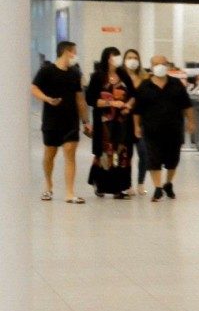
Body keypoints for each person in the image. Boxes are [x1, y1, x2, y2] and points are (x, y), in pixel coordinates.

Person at [30, 40, 90, 203]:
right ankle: (48, 185)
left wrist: (86, 121)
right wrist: (47, 99)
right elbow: (34, 88)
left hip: (70, 120)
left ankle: (70, 193)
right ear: (66, 52)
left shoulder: (75, 73)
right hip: (51, 120)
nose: (75, 55)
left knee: (70, 152)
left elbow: (80, 98)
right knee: (50, 154)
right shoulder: (46, 71)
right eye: (74, 52)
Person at [133, 55, 195, 202]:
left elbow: (187, 105)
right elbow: (138, 109)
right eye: (156, 64)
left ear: (167, 65)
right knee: (153, 159)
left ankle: (168, 183)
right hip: (151, 130)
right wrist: (136, 125)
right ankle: (158, 188)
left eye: (163, 64)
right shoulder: (144, 86)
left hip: (174, 129)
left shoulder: (176, 84)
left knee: (173, 160)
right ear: (151, 66)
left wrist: (191, 121)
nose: (160, 66)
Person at [84, 46, 135, 199]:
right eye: (115, 56)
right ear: (108, 58)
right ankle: (101, 185)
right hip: (104, 122)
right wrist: (111, 103)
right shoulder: (98, 77)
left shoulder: (123, 75)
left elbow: (133, 93)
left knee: (122, 153)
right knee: (106, 153)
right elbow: (91, 99)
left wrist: (128, 105)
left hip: (122, 122)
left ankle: (119, 188)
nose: (118, 59)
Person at [122, 49, 151, 195]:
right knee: (127, 154)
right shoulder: (119, 77)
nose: (132, 60)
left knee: (143, 152)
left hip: (142, 119)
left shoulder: (145, 78)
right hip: (124, 118)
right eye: (129, 57)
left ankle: (141, 182)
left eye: (135, 57)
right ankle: (127, 184)